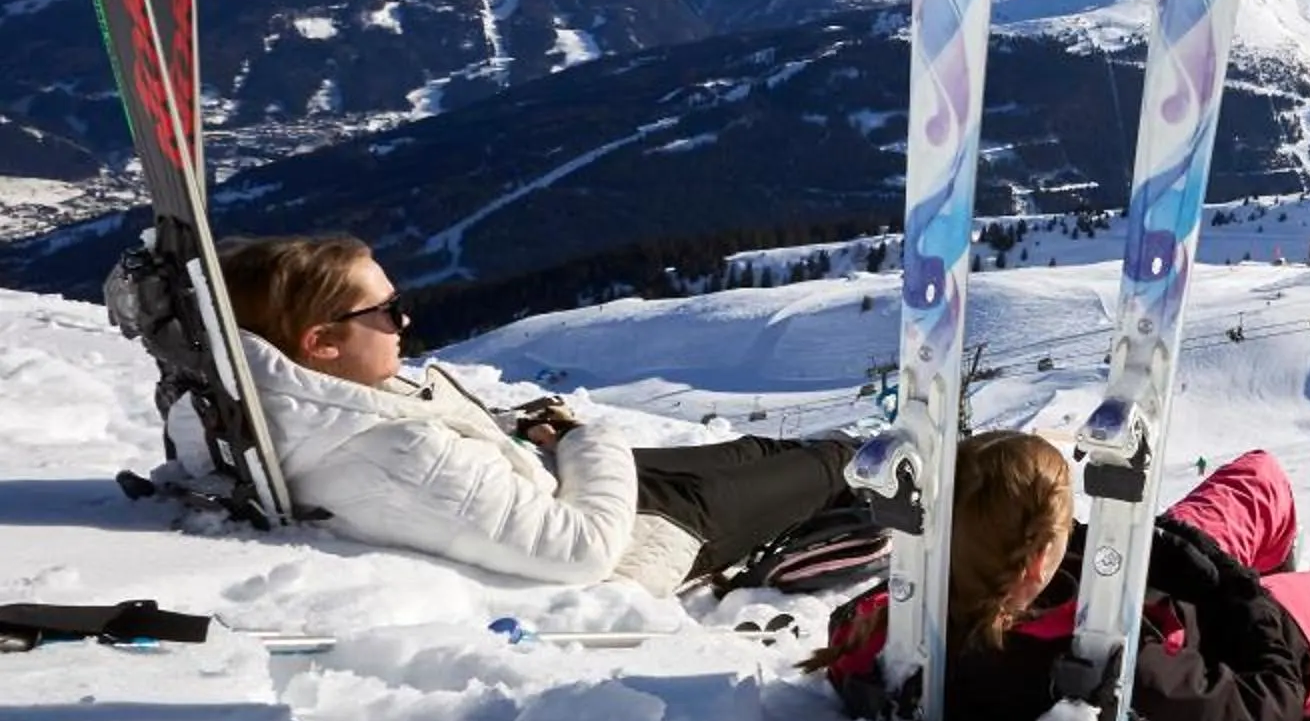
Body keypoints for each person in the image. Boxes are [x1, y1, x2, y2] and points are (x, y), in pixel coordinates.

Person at [222, 233, 873, 593]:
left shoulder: (309, 409)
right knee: (836, 461)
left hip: (558, 489)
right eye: (386, 312)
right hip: (635, 539)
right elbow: (584, 552)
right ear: (321, 343)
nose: (404, 322)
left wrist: (524, 437)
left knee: (763, 452)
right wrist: (587, 438)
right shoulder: (393, 455)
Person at [922, 437, 1310, 721]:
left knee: (1260, 477)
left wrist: (1147, 547)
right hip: (1244, 639)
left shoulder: (922, 605)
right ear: (1035, 558)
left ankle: (1273, 569)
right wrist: (1244, 596)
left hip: (1160, 582)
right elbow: (1270, 709)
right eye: (1067, 525)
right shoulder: (1120, 676)